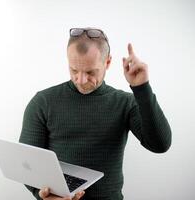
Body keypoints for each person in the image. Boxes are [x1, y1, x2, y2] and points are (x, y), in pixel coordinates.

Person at [19, 27, 172, 200]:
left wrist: (142, 88)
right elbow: (27, 165)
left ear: (107, 62)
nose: (81, 80)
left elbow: (160, 145)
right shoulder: (43, 102)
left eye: (90, 72)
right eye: (74, 70)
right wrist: (42, 195)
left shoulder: (125, 103)